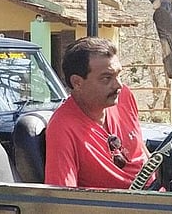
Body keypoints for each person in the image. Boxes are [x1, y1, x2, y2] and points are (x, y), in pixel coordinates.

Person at [45, 37, 151, 188]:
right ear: (77, 82)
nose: (118, 85)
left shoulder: (124, 96)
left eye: (118, 75)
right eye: (106, 78)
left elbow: (140, 151)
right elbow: (62, 198)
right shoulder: (62, 127)